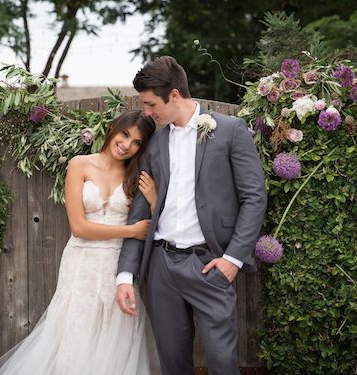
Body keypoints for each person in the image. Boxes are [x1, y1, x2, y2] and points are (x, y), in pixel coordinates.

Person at [116, 56, 268, 375]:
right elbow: (139, 212)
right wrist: (125, 275)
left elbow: (254, 197)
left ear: (173, 95)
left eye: (150, 103)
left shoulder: (229, 130)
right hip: (161, 266)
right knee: (172, 362)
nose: (146, 112)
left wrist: (233, 259)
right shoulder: (153, 143)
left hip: (209, 264)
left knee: (223, 361)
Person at [0, 109, 157, 375]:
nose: (127, 145)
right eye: (125, 134)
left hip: (116, 264)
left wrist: (153, 200)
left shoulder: (135, 176)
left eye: (136, 142)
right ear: (113, 129)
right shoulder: (80, 164)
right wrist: (130, 231)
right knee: (76, 329)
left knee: (115, 332)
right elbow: (79, 227)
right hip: (81, 260)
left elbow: (152, 225)